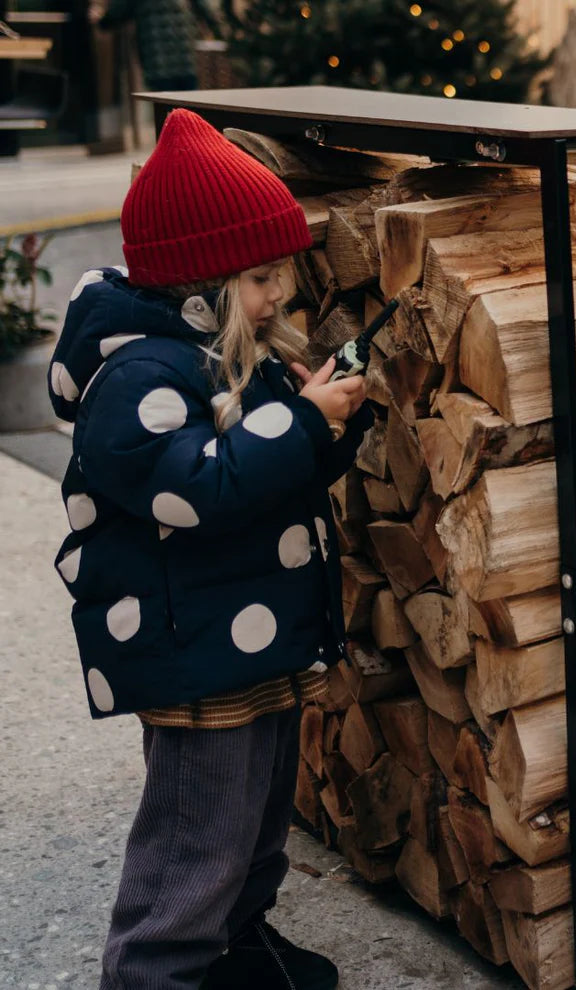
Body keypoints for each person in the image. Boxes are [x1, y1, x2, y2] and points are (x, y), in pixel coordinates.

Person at [48, 108, 371, 989]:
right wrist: (299, 421)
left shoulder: (228, 353)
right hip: (192, 648)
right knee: (198, 832)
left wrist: (329, 421)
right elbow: (197, 488)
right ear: (200, 280)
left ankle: (239, 939)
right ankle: (157, 968)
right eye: (261, 276)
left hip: (253, 633)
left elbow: (273, 472)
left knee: (259, 812)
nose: (278, 295)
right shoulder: (139, 377)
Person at [90, 0, 200, 92]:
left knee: (165, 108)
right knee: (189, 108)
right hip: (185, 57)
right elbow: (204, 8)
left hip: (158, 60)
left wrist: (101, 20)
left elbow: (118, 12)